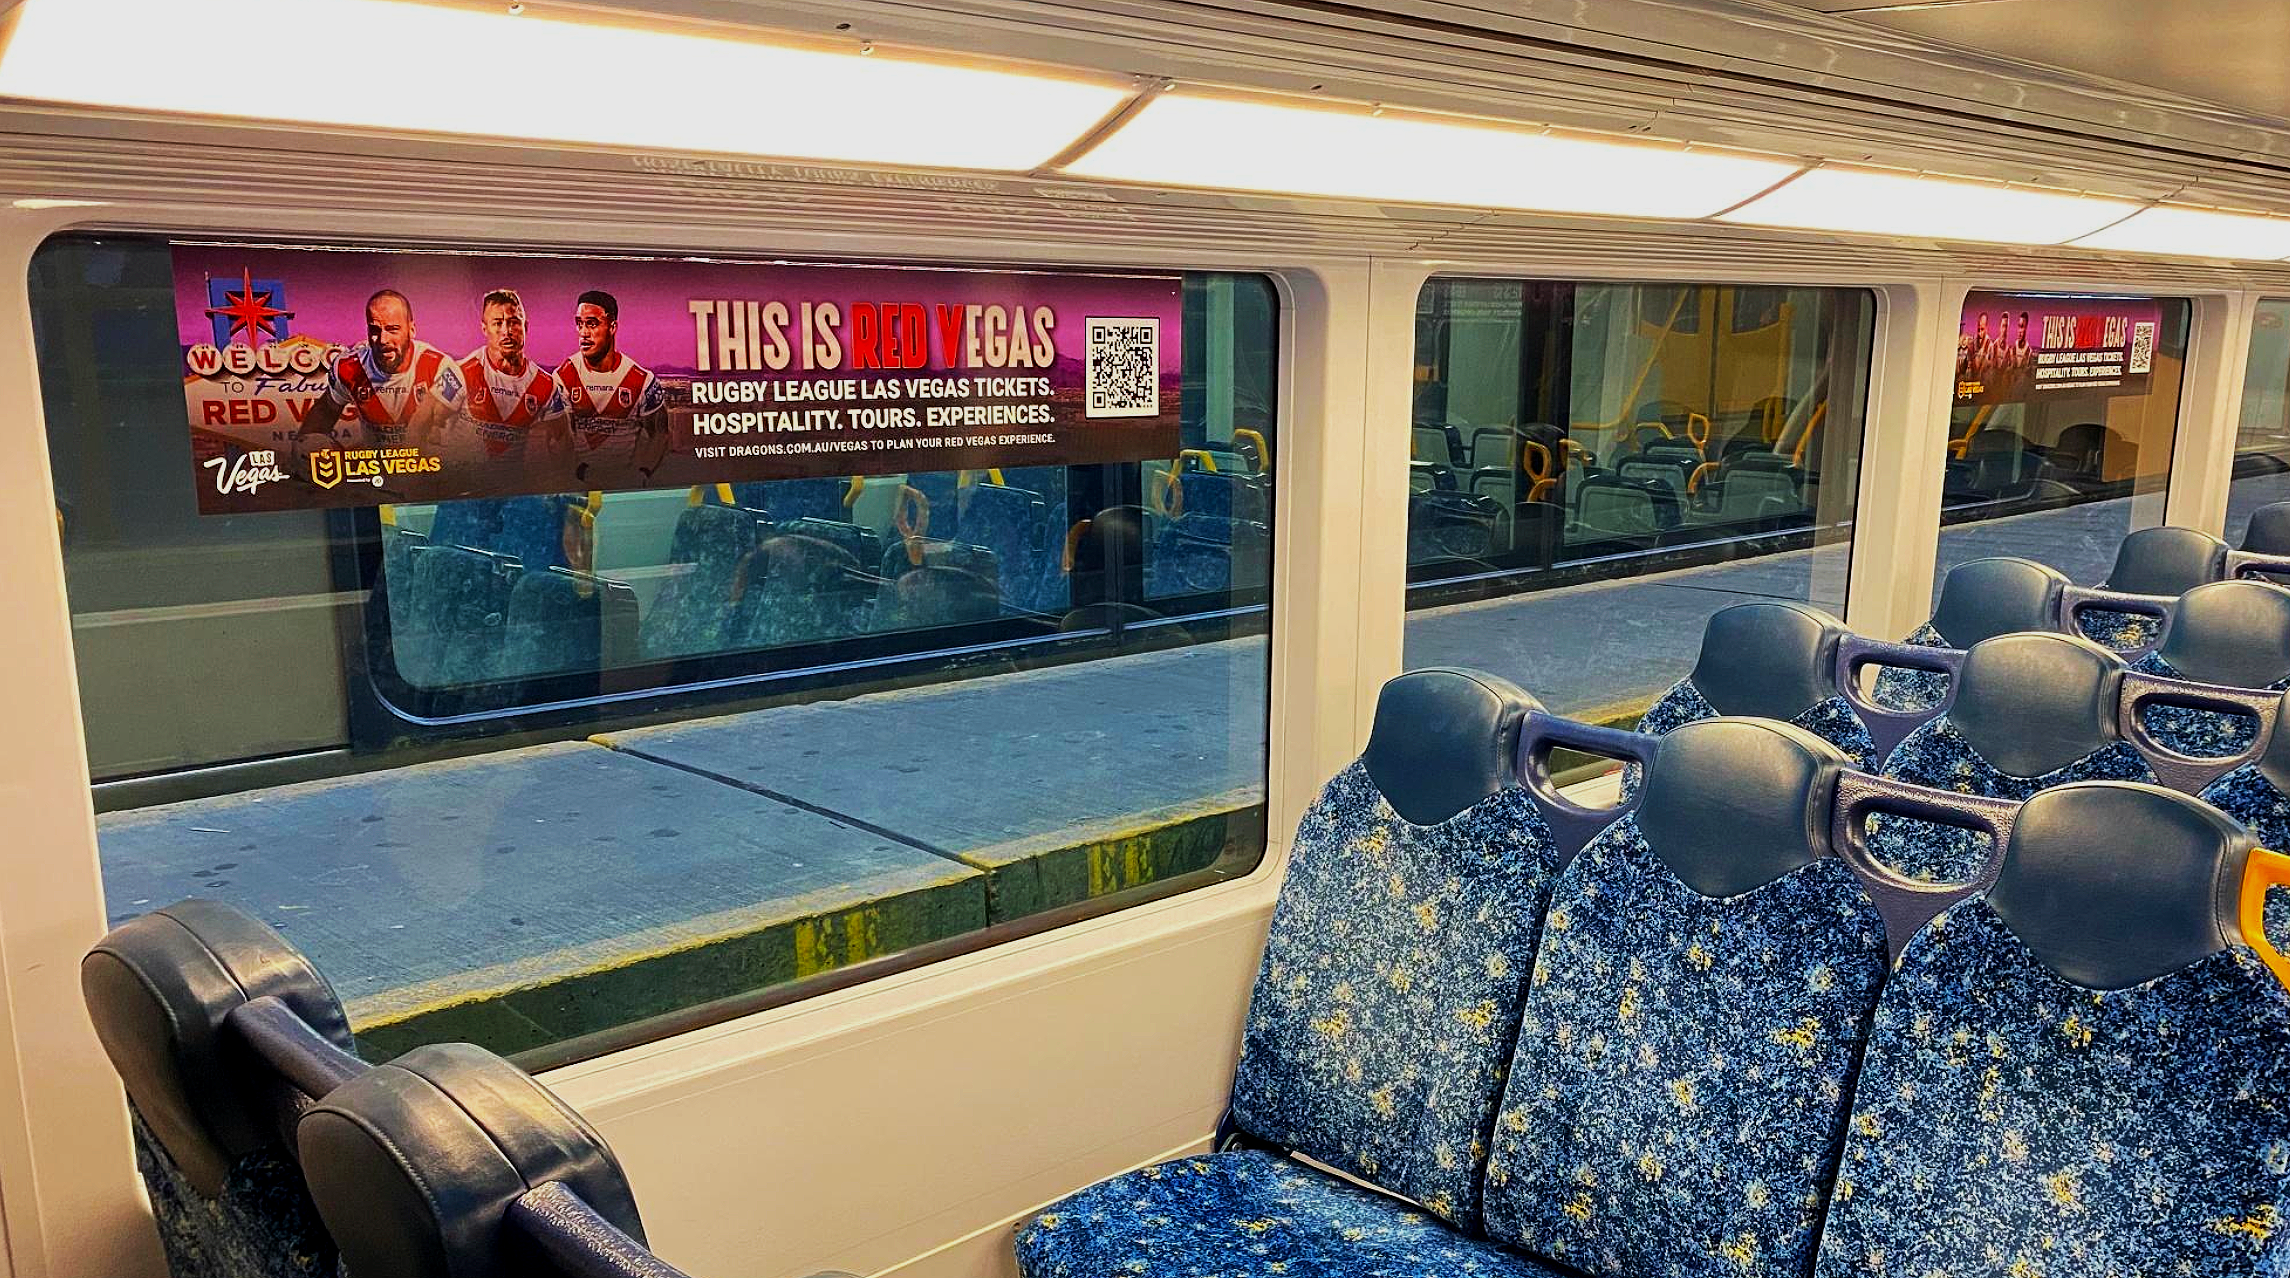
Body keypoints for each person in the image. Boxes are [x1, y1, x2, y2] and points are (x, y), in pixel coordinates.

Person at [294, 288, 463, 457]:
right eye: (375, 330)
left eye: (393, 329)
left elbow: (420, 431)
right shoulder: (348, 367)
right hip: (377, 467)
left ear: (411, 330)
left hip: (434, 466)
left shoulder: (440, 369)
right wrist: (303, 452)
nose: (383, 340)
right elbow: (325, 411)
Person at [449, 288, 572, 482]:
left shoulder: (545, 384)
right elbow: (423, 422)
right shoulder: (460, 372)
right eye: (498, 323)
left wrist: (561, 483)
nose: (506, 331)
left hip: (512, 490)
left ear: (525, 326)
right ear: (485, 328)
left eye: (514, 322)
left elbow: (563, 439)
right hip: (461, 488)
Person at [555, 289, 669, 488]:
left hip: (626, 486)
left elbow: (660, 433)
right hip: (579, 485)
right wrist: (581, 473)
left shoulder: (642, 380)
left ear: (612, 326)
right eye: (579, 323)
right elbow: (557, 439)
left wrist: (643, 473)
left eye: (592, 324)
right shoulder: (564, 377)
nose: (583, 333)